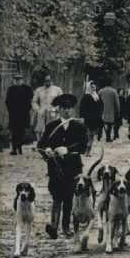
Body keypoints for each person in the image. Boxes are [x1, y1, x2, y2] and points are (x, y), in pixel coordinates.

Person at [38, 92, 88, 238]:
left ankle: (66, 227)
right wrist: (46, 150)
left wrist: (68, 149)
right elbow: (41, 144)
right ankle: (53, 227)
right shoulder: (51, 126)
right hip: (56, 167)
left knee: (68, 196)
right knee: (56, 195)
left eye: (69, 108)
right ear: (59, 109)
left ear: (72, 109)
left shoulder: (79, 126)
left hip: (73, 167)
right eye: (64, 107)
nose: (66, 110)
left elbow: (83, 146)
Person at [6, 73, 33, 155]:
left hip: (24, 114)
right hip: (14, 114)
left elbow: (31, 100)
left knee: (22, 131)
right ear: (14, 80)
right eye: (16, 80)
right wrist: (11, 110)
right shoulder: (11, 89)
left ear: (22, 80)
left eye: (19, 80)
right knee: (14, 131)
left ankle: (20, 147)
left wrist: (27, 110)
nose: (18, 81)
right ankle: (14, 149)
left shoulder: (27, 88)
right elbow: (7, 101)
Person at [32, 70, 63, 139]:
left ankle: (51, 144)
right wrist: (38, 109)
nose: (48, 82)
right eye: (46, 80)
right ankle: (40, 144)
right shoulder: (39, 90)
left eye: (49, 80)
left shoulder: (57, 90)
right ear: (43, 81)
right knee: (39, 130)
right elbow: (34, 101)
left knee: (52, 129)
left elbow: (61, 101)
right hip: (42, 112)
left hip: (53, 112)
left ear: (52, 80)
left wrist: (56, 108)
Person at [79, 80, 103, 152]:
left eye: (94, 87)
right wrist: (82, 117)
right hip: (88, 118)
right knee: (88, 134)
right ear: (89, 88)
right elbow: (82, 108)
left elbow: (101, 105)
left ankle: (89, 149)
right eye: (92, 87)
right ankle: (86, 149)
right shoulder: (86, 96)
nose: (94, 88)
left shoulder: (97, 96)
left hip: (96, 118)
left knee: (92, 135)